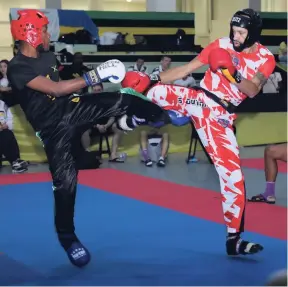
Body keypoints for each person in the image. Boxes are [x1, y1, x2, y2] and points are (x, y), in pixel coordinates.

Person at [7, 9, 168, 268]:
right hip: (51, 130)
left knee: (125, 100)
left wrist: (95, 80)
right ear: (31, 33)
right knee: (66, 186)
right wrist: (96, 75)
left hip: (70, 107)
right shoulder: (17, 67)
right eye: (45, 30)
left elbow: (63, 90)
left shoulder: (48, 55)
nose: (49, 34)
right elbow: (55, 88)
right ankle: (68, 239)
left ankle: (145, 117)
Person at [122, 8, 276, 256]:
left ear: (253, 34)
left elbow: (252, 90)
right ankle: (132, 115)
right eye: (233, 30)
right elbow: (184, 70)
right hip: (197, 99)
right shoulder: (220, 45)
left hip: (220, 117)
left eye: (241, 32)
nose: (235, 36)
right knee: (140, 85)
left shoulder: (266, 58)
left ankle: (233, 240)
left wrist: (231, 72)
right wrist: (152, 77)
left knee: (234, 179)